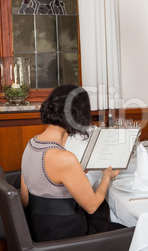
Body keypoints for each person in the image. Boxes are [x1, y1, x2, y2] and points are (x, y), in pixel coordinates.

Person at [21, 85, 125, 242]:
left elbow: (25, 199)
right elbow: (91, 207)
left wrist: (70, 178)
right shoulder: (64, 158)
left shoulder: (30, 145)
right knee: (128, 231)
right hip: (65, 236)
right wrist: (107, 177)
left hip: (38, 231)